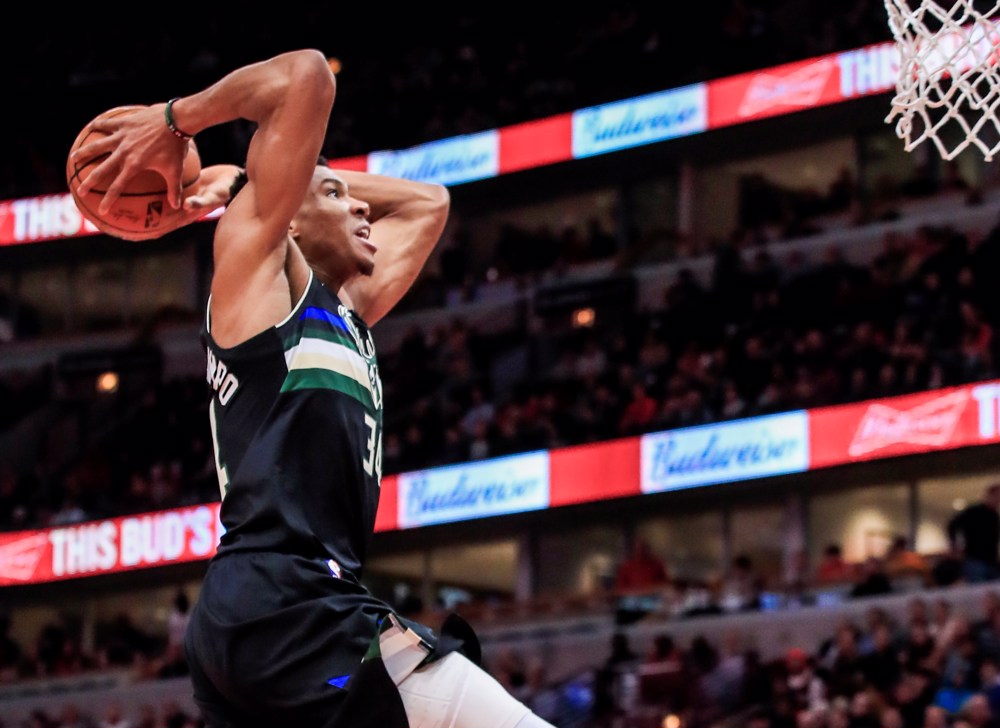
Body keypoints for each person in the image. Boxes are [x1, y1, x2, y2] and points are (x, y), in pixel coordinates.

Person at [73, 49, 555, 728]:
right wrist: (176, 121)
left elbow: (429, 203)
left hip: (266, 624)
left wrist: (276, 178)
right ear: (287, 221)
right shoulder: (259, 279)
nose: (362, 208)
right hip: (285, 603)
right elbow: (306, 77)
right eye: (337, 197)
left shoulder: (346, 312)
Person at [948, 484, 1000, 583]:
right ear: (989, 495)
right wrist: (954, 545)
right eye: (997, 496)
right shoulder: (974, 511)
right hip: (975, 558)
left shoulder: (994, 516)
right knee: (978, 589)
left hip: (990, 560)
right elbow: (953, 524)